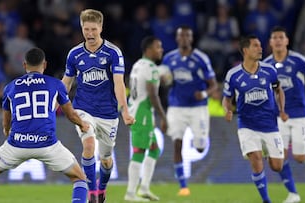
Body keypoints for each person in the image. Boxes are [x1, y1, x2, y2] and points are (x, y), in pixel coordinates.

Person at [0, 47, 89, 203]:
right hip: (47, 144)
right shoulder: (56, 84)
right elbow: (70, 114)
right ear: (45, 64)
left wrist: (7, 131)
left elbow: (6, 118)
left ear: (24, 65)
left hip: (17, 144)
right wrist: (82, 124)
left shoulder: (10, 87)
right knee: (79, 178)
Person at [61, 9, 135, 203]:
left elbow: (119, 84)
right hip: (83, 109)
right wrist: (52, 105)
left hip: (108, 113)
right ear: (81, 28)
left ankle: (101, 188)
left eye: (94, 29)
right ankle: (92, 193)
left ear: (101, 28)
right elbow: (66, 83)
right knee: (89, 144)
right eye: (86, 29)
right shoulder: (74, 54)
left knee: (106, 159)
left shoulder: (113, 53)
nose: (90, 33)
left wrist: (125, 111)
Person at [222, 35, 288, 203]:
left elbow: (279, 90)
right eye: (256, 46)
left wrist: (282, 109)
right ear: (245, 50)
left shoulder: (269, 71)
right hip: (247, 125)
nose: (260, 49)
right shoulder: (233, 75)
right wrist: (227, 110)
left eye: (260, 45)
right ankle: (266, 200)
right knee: (256, 160)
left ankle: (266, 151)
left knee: (277, 166)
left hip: (270, 124)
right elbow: (226, 98)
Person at [161, 25, 218, 196]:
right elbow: (164, 80)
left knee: (200, 147)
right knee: (177, 143)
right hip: (176, 106)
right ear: (177, 38)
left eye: (187, 35)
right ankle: (183, 186)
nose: (184, 38)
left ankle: (202, 139)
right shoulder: (169, 59)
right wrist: (164, 80)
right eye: (181, 36)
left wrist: (204, 93)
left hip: (197, 108)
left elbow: (214, 84)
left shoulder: (201, 58)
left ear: (191, 39)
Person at [263, 26, 305, 203]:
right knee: (279, 159)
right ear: (270, 42)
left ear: (287, 41)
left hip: (299, 115)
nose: (278, 40)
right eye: (275, 37)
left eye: (281, 37)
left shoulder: (297, 60)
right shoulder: (267, 65)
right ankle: (293, 194)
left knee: (300, 157)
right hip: (279, 118)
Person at [124, 36, 168, 202]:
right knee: (139, 152)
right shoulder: (151, 67)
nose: (161, 50)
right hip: (142, 115)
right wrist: (164, 118)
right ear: (149, 49)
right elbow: (153, 96)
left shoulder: (137, 65)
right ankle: (130, 193)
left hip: (136, 110)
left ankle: (144, 188)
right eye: (158, 47)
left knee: (154, 149)